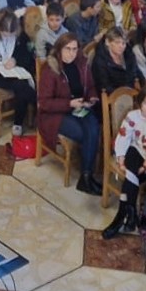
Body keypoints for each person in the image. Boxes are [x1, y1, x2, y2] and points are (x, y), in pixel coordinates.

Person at [38, 34, 102, 194]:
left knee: (94, 127)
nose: (71, 53)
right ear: (59, 49)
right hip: (56, 113)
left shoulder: (82, 63)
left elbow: (91, 86)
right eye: (68, 49)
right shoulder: (50, 69)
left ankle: (86, 176)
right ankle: (86, 175)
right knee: (84, 133)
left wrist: (92, 97)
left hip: (79, 106)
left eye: (74, 49)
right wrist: (69, 104)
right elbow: (44, 103)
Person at [105, 85, 146, 238]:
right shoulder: (132, 116)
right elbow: (123, 136)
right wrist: (121, 159)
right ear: (140, 102)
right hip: (136, 150)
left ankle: (122, 216)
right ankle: (129, 214)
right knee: (131, 164)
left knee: (130, 177)